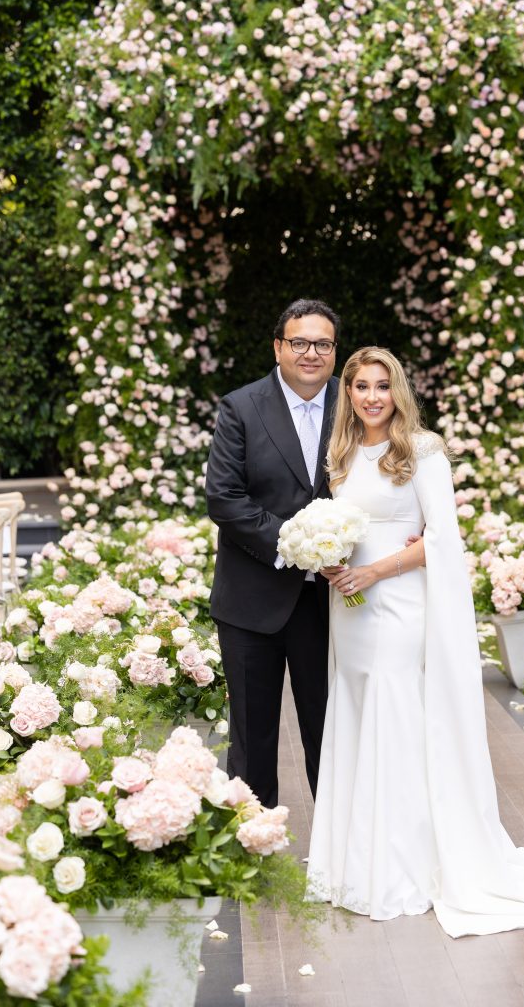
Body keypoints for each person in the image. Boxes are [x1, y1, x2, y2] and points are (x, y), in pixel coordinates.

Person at [306, 346, 524, 937]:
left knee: (397, 720)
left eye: (381, 386)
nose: (371, 397)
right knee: (361, 719)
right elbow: (345, 527)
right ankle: (355, 862)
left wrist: (375, 570)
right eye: (361, 386)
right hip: (351, 609)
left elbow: (442, 539)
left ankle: (404, 866)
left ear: (398, 392)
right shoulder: (339, 456)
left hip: (398, 606)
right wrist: (329, 559)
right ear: (349, 393)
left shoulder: (422, 451)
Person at [205, 299, 340, 808]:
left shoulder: (354, 408)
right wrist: (297, 546)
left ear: (334, 351)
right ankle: (252, 848)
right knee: (252, 739)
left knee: (331, 733)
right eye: (300, 342)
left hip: (328, 603)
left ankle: (340, 852)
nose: (311, 353)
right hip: (252, 600)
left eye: (322, 343)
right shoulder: (241, 407)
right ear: (279, 347)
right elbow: (225, 498)